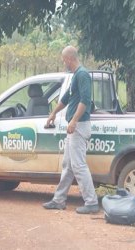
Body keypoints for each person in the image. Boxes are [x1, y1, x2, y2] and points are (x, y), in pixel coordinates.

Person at [42, 46, 99, 214]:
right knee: (68, 165)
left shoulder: (82, 75)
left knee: (78, 165)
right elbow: (66, 98)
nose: (63, 62)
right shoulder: (76, 76)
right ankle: (59, 200)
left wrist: (74, 120)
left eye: (63, 59)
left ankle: (91, 202)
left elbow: (85, 101)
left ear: (69, 59)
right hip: (74, 126)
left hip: (78, 126)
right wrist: (53, 112)